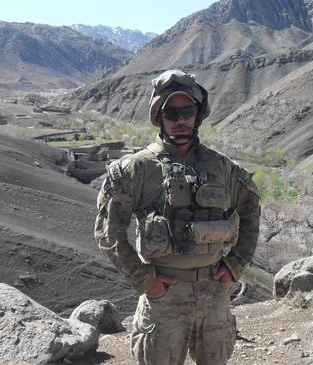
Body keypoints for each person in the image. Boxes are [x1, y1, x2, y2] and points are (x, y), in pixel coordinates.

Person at [94, 69, 260, 365]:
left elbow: (250, 208)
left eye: (188, 111)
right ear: (159, 117)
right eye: (172, 112)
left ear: (198, 115)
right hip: (164, 298)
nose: (181, 119)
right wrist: (145, 280)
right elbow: (109, 231)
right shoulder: (136, 170)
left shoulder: (221, 167)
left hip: (214, 294)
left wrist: (235, 265)